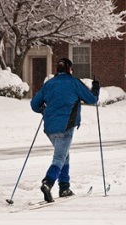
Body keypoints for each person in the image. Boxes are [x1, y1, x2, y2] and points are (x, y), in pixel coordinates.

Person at [30, 58, 100, 202]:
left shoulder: (49, 84)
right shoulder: (74, 82)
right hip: (66, 126)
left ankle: (64, 187)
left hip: (49, 128)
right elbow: (92, 99)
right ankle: (48, 183)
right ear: (69, 69)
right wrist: (95, 88)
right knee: (59, 158)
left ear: (57, 70)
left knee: (64, 155)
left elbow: (34, 104)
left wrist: (43, 110)